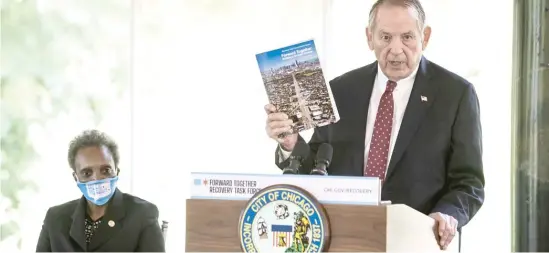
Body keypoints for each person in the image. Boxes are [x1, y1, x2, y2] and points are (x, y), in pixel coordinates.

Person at [265, 0, 484, 250]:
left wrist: (448, 214)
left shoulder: (455, 94)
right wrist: (291, 143)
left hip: (416, 241)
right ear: (370, 38)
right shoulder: (340, 91)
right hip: (343, 239)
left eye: (407, 37)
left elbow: (469, 183)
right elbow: (316, 168)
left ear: (425, 36)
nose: (396, 49)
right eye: (386, 37)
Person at [36, 130, 165, 252]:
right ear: (76, 177)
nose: (97, 178)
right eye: (87, 173)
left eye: (106, 170)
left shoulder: (142, 214)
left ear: (117, 171)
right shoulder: (55, 219)